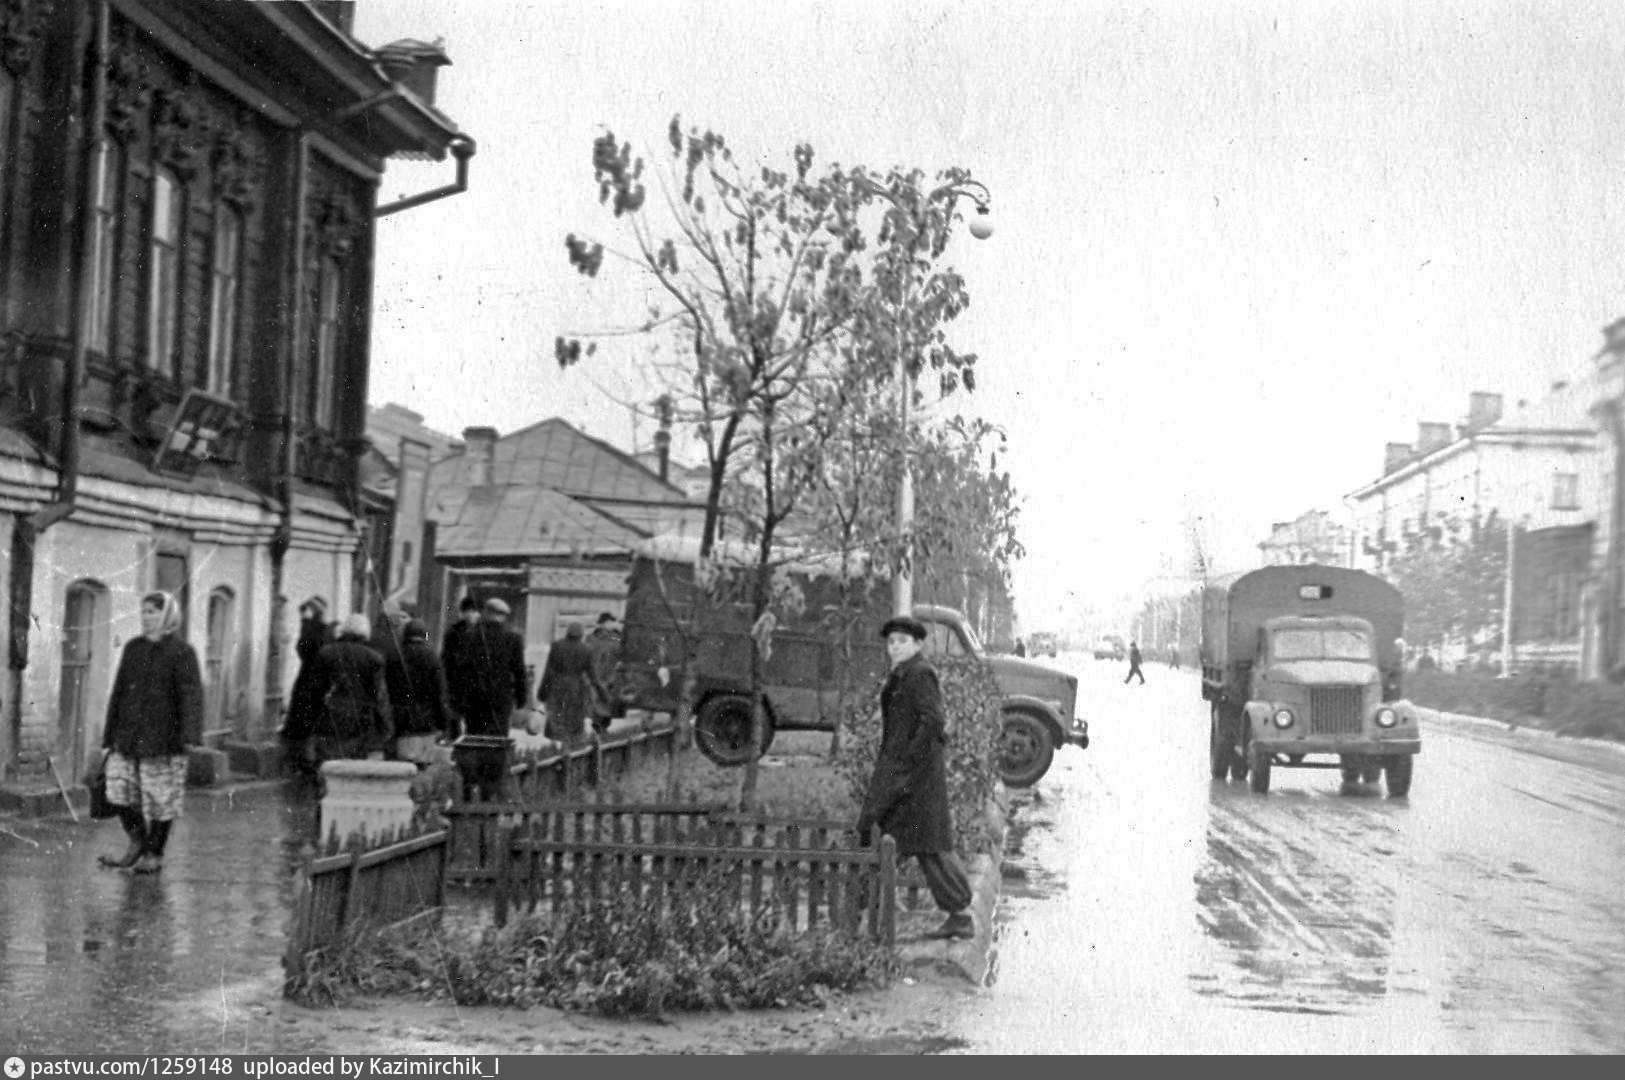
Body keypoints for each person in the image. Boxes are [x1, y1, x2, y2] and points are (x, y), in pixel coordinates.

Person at [857, 614, 975, 941]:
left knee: (924, 840)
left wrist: (909, 757)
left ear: (918, 644)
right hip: (903, 770)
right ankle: (873, 907)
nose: (894, 647)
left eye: (902, 641)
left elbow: (933, 720)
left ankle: (957, 915)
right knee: (899, 835)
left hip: (915, 774)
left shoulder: (920, 674)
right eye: (891, 642)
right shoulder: (903, 674)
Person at [98, 591, 203, 875]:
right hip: (128, 736)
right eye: (144, 611)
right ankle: (137, 841)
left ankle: (154, 853)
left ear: (168, 615)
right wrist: (109, 736)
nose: (146, 617)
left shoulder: (182, 652)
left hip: (164, 740)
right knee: (118, 793)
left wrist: (189, 736)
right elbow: (118, 693)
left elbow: (191, 695)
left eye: (153, 612)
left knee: (160, 800)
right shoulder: (133, 648)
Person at [446, 598, 528, 801]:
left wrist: (457, 701)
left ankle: (470, 784)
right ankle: (490, 787)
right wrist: (521, 699)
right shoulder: (513, 638)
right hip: (500, 701)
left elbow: (460, 671)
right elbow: (519, 671)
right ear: (503, 617)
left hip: (474, 700)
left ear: (485, 612)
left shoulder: (470, 635)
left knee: (474, 738)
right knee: (497, 741)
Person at [305, 613, 393, 771]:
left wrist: (310, 720)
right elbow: (380, 698)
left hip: (328, 716)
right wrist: (385, 727)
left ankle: (322, 791)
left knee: (326, 764)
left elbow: (314, 691)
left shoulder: (326, 653)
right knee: (351, 768)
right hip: (359, 721)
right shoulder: (374, 658)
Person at [384, 618, 458, 768]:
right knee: (421, 766)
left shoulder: (394, 656)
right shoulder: (432, 657)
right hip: (426, 722)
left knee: (400, 766)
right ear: (424, 635)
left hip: (400, 721)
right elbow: (439, 692)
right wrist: (444, 723)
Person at [280, 597, 334, 780]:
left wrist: (304, 621)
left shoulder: (311, 630)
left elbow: (302, 649)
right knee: (313, 721)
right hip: (319, 681)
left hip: (306, 680)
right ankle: (309, 760)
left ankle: (301, 760)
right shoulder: (326, 632)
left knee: (302, 720)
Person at [538, 621, 607, 748]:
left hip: (557, 686)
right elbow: (593, 676)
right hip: (576, 689)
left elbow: (548, 671)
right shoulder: (587, 649)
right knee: (573, 721)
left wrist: (542, 693)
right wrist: (603, 694)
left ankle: (555, 749)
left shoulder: (557, 646)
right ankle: (569, 749)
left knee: (556, 718)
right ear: (581, 634)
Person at [585, 612, 622, 734]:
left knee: (607, 704)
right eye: (610, 622)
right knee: (597, 703)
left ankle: (603, 727)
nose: (612, 624)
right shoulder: (592, 638)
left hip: (611, 675)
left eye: (613, 622)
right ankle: (598, 728)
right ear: (602, 624)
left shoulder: (617, 637)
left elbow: (623, 651)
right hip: (597, 675)